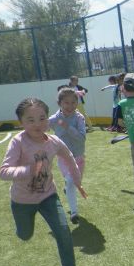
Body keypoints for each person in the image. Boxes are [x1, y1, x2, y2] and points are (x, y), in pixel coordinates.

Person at [0, 97, 90, 266]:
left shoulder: (53, 142)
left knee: (63, 231)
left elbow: (70, 159)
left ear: (48, 119)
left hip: (48, 196)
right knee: (25, 235)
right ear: (21, 123)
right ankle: (21, 231)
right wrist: (28, 170)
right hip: (22, 201)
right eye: (30, 120)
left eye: (42, 118)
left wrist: (77, 182)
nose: (37, 124)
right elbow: (4, 172)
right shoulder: (18, 142)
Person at [49, 87, 87, 224]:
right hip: (64, 158)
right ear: (59, 103)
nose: (70, 106)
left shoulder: (79, 118)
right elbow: (41, 127)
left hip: (79, 158)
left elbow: (82, 138)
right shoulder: (54, 119)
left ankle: (67, 188)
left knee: (75, 183)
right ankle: (74, 212)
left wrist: (66, 126)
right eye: (66, 102)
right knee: (71, 181)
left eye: (73, 102)